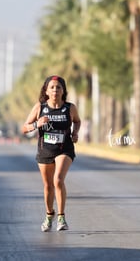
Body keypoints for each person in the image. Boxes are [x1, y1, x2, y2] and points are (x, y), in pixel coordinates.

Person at [21, 75, 81, 232]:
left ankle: (61, 217)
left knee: (58, 180)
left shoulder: (70, 108)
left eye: (58, 87)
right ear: (46, 91)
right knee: (48, 186)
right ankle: (49, 215)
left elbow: (77, 121)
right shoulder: (39, 108)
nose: (55, 90)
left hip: (64, 149)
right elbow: (24, 128)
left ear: (63, 91)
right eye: (52, 87)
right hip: (45, 150)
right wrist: (36, 124)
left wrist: (75, 133)